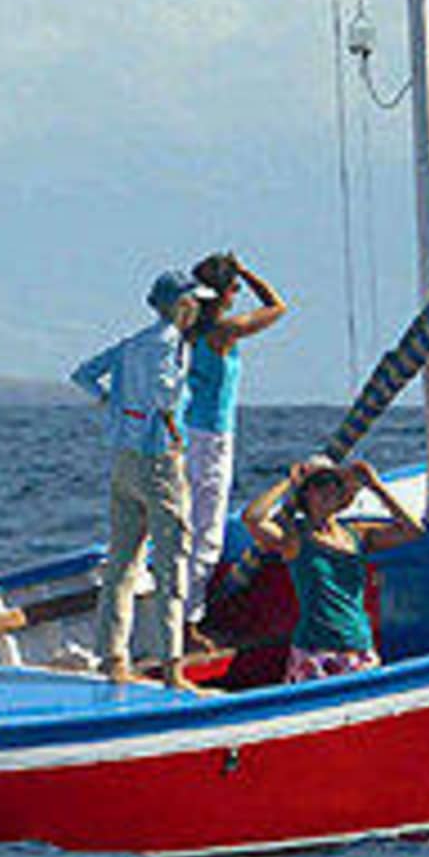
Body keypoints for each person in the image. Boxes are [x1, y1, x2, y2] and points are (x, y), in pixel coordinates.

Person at [69, 269, 211, 688]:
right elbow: (165, 394)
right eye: (194, 302)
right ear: (181, 305)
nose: (198, 309)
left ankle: (113, 658)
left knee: (122, 563)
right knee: (172, 564)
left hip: (124, 460)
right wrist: (171, 427)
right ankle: (173, 668)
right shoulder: (175, 346)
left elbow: (82, 374)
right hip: (161, 462)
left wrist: (112, 403)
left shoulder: (131, 344)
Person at [240, 456, 421, 683]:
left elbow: (413, 530)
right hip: (314, 653)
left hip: (359, 648)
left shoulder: (357, 534)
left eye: (334, 483)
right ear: (305, 494)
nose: (328, 489)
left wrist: (376, 486)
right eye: (319, 484)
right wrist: (288, 482)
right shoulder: (295, 538)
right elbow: (252, 518)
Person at [182, 251, 288, 636]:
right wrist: (246, 271)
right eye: (235, 288)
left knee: (183, 526)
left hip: (185, 433)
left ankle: (177, 611)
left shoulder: (187, 330)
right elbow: (277, 307)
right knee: (206, 533)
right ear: (225, 292)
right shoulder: (223, 332)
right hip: (211, 438)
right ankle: (189, 624)